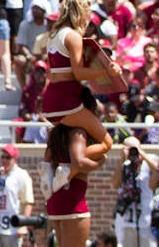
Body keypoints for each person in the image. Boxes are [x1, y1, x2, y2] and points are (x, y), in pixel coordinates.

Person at [41, 0, 120, 152]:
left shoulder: (53, 35)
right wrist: (106, 71)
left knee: (67, 142)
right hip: (67, 100)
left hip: (50, 100)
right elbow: (79, 73)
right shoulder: (73, 36)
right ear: (80, 12)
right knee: (106, 143)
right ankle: (70, 171)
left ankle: (54, 167)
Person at [44, 95, 111, 247]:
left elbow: (46, 161)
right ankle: (67, 172)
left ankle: (66, 172)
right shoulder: (77, 132)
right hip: (73, 204)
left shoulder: (57, 133)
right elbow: (79, 162)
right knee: (107, 144)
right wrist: (99, 164)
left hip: (57, 202)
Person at [111, 137, 158, 247]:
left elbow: (156, 169)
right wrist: (121, 159)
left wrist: (141, 153)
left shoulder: (148, 163)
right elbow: (115, 184)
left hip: (145, 214)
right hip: (126, 216)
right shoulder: (124, 165)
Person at [0, 144, 35, 247]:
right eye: (2, 157)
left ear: (15, 159)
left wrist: (23, 225)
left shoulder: (21, 175)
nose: (4, 160)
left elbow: (28, 201)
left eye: (8, 158)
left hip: (12, 228)